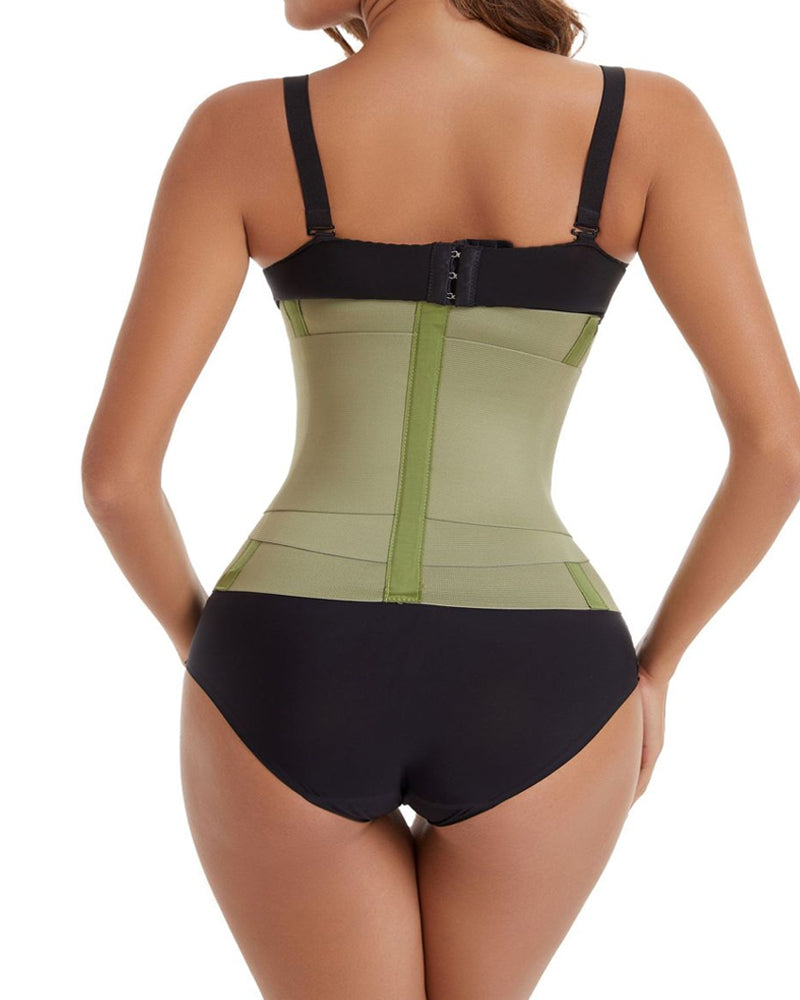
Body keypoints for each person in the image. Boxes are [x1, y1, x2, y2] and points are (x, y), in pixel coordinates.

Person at [81, 0, 800, 997]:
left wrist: (217, 656)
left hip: (286, 653)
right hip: (546, 670)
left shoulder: (240, 131)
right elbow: (776, 449)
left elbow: (116, 479)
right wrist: (657, 668)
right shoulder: (646, 122)